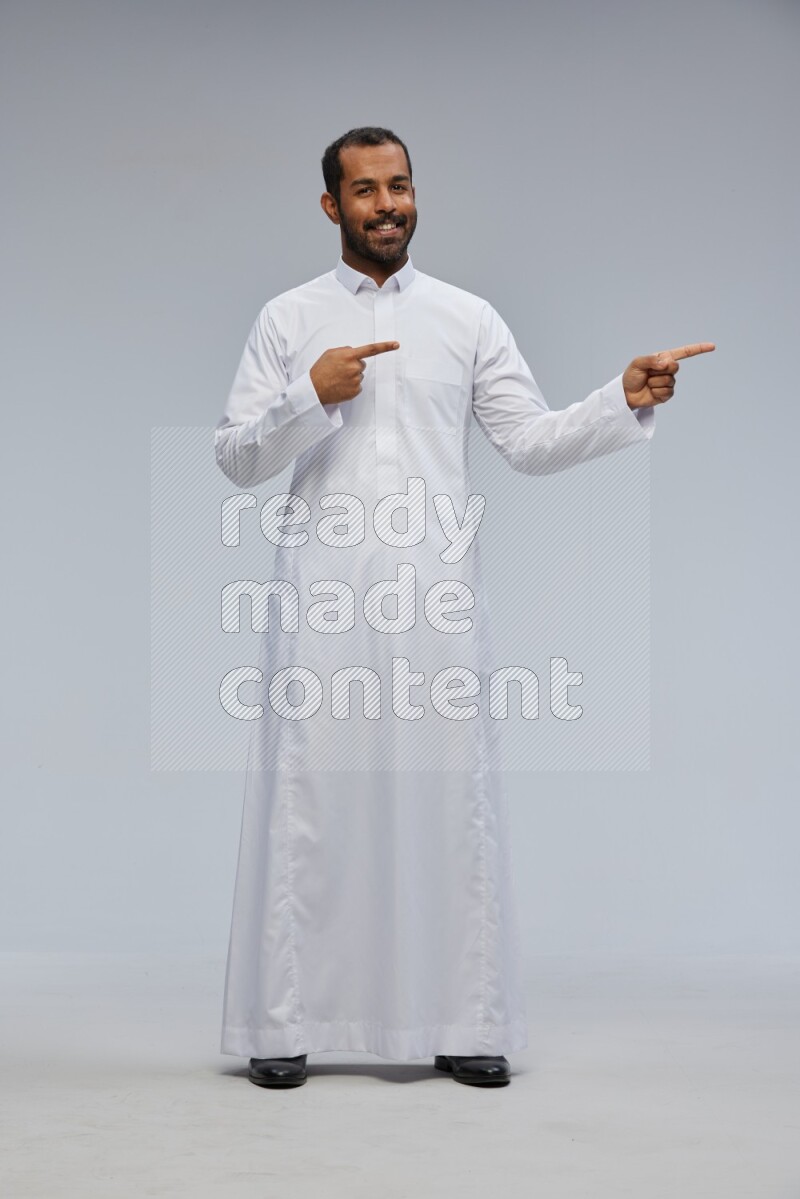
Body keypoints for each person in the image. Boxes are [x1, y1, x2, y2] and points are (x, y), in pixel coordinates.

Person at [213, 125, 714, 1089]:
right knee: (311, 802)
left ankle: (463, 1019)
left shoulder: (465, 317)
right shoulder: (288, 319)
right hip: (322, 600)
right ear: (331, 206)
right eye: (366, 190)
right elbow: (237, 457)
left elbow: (528, 440)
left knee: (450, 801)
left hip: (435, 599)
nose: (387, 204)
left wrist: (620, 397)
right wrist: (308, 397)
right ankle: (284, 1024)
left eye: (400, 185)